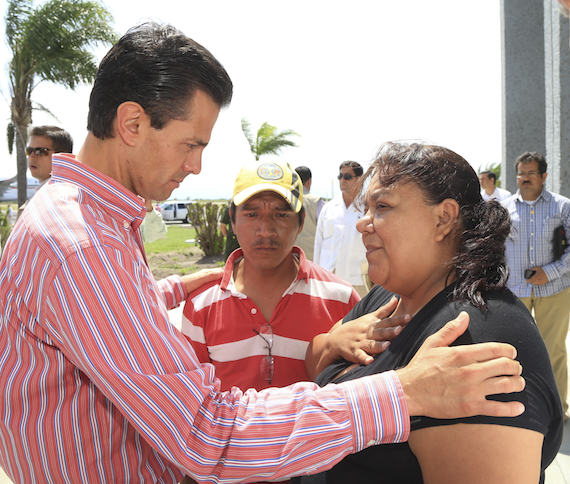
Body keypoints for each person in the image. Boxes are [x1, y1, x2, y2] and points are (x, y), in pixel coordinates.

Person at [0, 23, 527, 484]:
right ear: (133, 124)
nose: (197, 166)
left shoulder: (85, 226)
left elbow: (103, 312)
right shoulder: (80, 243)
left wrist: (176, 286)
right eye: (191, 144)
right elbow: (208, 436)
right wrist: (402, 393)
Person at [295, 142, 563, 484]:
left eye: (382, 206)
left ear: (444, 219)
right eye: (366, 208)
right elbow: (314, 366)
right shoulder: (384, 299)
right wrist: (334, 342)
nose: (363, 223)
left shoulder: (474, 336)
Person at [182, 160, 362, 393]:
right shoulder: (201, 305)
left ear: (300, 222)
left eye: (281, 215)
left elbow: (358, 393)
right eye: (252, 214)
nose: (266, 230)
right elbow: (195, 401)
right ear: (233, 221)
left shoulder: (342, 299)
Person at [502, 151, 570, 419]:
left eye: (531, 173)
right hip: (515, 292)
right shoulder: (505, 209)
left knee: (553, 350)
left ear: (543, 176)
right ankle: (520, 409)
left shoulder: (563, 207)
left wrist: (550, 272)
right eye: (521, 173)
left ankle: (556, 410)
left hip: (554, 290)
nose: (525, 178)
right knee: (514, 351)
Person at [314, 161, 368, 297]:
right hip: (329, 276)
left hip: (358, 278)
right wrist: (316, 273)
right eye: (340, 176)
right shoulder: (329, 208)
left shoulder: (368, 208)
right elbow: (319, 243)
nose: (342, 180)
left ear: (359, 180)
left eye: (347, 176)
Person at [17, 125, 74, 219]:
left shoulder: (63, 199)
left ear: (62, 156)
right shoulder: (45, 195)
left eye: (40, 151)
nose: (32, 157)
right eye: (29, 151)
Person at [294, 165, 324, 261]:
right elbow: (325, 229)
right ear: (309, 181)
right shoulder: (317, 201)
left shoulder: (286, 200)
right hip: (312, 258)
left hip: (290, 257)